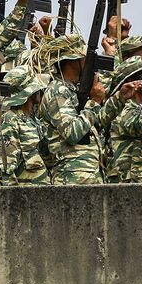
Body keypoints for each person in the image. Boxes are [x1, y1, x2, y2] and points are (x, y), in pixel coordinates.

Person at [38, 34, 133, 184]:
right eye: (84, 57)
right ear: (73, 61)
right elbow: (72, 132)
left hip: (90, 175)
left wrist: (119, 99)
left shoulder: (73, 89)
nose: (88, 61)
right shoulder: (57, 91)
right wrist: (94, 101)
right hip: (71, 178)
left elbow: (94, 123)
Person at [0, 67, 49, 185]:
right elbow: (6, 169)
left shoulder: (34, 121)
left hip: (42, 193)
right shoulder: (10, 120)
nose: (40, 91)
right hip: (24, 197)